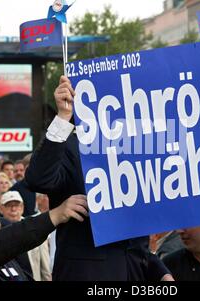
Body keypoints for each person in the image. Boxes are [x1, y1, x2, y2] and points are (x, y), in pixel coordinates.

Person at [25, 76, 173, 281]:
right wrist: (62, 118)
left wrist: (160, 272)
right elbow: (37, 179)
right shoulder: (72, 148)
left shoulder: (139, 154)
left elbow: (135, 244)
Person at [0, 191, 51, 281]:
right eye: (9, 205)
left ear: (22, 207)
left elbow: (45, 269)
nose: (13, 209)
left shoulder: (35, 229)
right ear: (1, 208)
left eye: (17, 205)